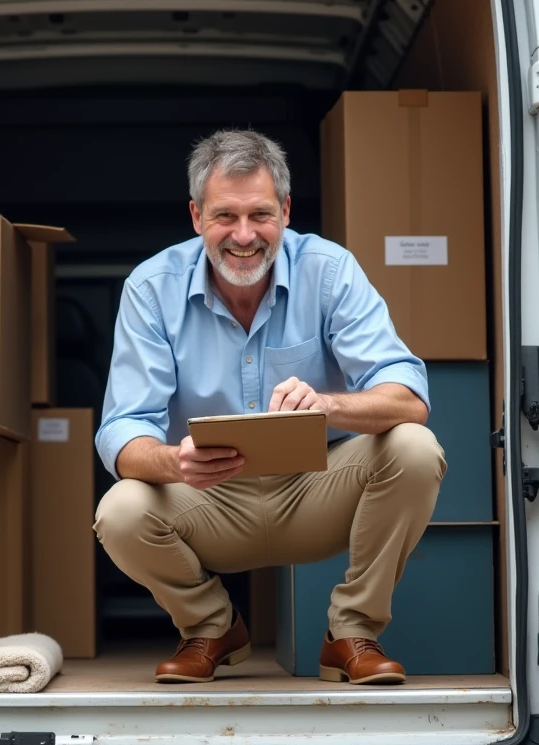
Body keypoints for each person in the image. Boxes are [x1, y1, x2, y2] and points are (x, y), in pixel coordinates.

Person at [92, 129, 447, 685]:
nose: (243, 235)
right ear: (195, 217)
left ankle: (351, 633)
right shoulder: (150, 287)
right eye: (224, 216)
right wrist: (173, 463)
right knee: (121, 510)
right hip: (208, 498)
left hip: (317, 489)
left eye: (259, 214)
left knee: (414, 447)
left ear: (285, 210)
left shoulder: (329, 270)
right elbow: (122, 430)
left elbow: (408, 394)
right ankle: (210, 628)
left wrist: (328, 405)